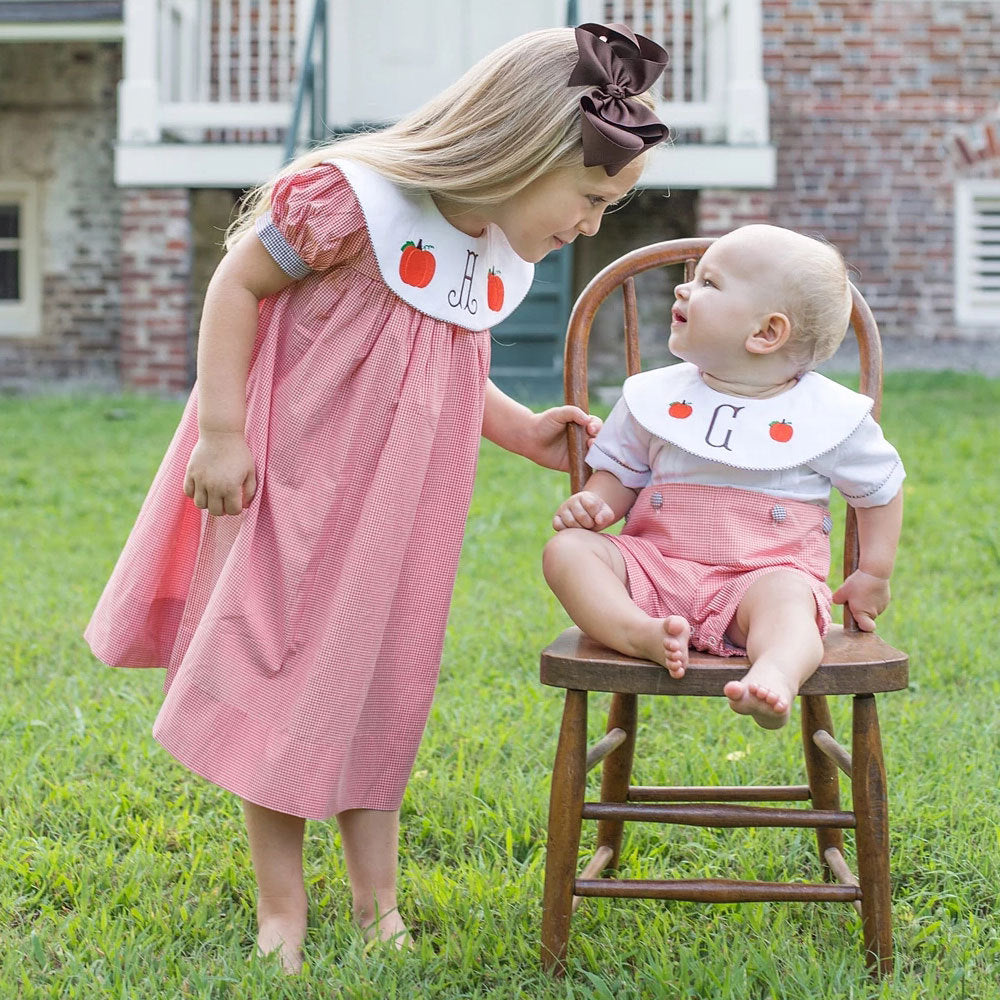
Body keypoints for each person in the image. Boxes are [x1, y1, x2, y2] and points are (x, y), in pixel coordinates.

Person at [85, 23, 670, 973]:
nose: (594, 224)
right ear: (524, 151)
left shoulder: (481, 249)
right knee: (285, 673)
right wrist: (223, 433)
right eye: (593, 198)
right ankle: (283, 909)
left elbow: (438, 355)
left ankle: (378, 905)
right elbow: (235, 285)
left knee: (384, 682)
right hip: (299, 488)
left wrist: (519, 427)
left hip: (407, 512)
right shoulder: (354, 206)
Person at [542, 224, 904, 731]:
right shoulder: (656, 397)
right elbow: (620, 471)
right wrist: (597, 503)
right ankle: (635, 632)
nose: (682, 288)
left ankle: (776, 672)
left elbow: (879, 488)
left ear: (765, 333)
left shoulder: (827, 415)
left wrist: (874, 572)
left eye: (709, 283)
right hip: (656, 572)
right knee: (569, 550)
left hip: (760, 581)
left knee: (789, 605)